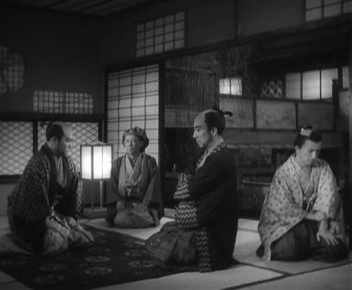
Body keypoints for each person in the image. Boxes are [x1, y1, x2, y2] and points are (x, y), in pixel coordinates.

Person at [146, 108, 238, 272]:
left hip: (213, 232)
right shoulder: (208, 154)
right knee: (163, 234)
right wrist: (189, 192)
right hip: (205, 219)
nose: (194, 135)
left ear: (213, 130)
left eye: (198, 129)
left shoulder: (219, 158)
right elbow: (189, 186)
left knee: (163, 245)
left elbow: (185, 190)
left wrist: (187, 199)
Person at [257, 126, 348, 262]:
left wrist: (323, 228)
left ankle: (310, 246)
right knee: (289, 248)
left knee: (334, 250)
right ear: (297, 149)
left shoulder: (323, 167)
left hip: (317, 224)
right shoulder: (283, 173)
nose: (314, 156)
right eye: (310, 151)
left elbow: (328, 198)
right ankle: (308, 247)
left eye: (318, 152)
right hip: (289, 225)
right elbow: (281, 207)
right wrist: (310, 215)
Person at [7, 122, 93, 254]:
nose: (71, 145)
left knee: (86, 238)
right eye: (68, 141)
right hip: (33, 221)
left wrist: (70, 217)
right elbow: (32, 207)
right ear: (54, 140)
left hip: (57, 215)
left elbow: (75, 190)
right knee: (57, 243)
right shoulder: (37, 164)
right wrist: (55, 225)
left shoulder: (68, 162)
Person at [105, 127, 163, 228]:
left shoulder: (150, 162)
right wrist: (118, 201)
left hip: (143, 205)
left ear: (141, 143)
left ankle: (142, 217)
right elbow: (112, 186)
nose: (130, 144)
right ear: (124, 143)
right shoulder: (117, 163)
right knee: (121, 220)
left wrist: (145, 204)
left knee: (144, 218)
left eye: (134, 141)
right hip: (124, 204)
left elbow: (153, 186)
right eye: (127, 141)